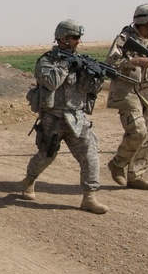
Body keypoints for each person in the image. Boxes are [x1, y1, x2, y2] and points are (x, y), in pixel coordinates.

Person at [20, 19, 108, 214]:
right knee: (46, 157)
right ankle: (29, 180)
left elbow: (90, 90)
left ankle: (89, 196)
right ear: (62, 38)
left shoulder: (81, 61)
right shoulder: (46, 61)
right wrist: (65, 64)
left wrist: (96, 76)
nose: (78, 41)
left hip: (77, 118)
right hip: (53, 118)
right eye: (75, 37)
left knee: (90, 155)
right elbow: (51, 82)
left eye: (79, 38)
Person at [104, 3, 148, 190]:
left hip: (147, 92)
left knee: (147, 135)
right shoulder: (124, 38)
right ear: (145, 20)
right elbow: (110, 62)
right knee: (138, 130)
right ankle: (117, 163)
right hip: (127, 91)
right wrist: (134, 61)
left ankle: (136, 176)